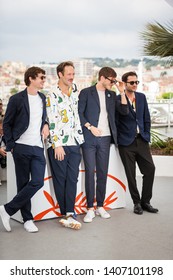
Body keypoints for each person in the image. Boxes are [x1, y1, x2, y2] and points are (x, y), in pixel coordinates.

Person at [0, 66, 49, 232]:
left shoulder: (43, 98)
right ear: (31, 79)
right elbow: (7, 123)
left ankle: (7, 209)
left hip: (37, 147)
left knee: (37, 182)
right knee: (23, 184)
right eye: (41, 77)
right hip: (21, 146)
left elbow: (43, 118)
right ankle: (27, 219)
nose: (44, 80)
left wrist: (46, 124)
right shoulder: (17, 99)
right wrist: (11, 145)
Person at [78, 67, 128, 223]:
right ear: (102, 78)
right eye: (111, 80)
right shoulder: (86, 92)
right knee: (90, 173)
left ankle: (100, 205)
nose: (113, 83)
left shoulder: (112, 94)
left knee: (102, 173)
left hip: (106, 138)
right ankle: (90, 209)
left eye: (114, 80)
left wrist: (122, 92)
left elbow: (124, 111)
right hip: (89, 138)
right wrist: (90, 127)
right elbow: (79, 113)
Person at [46, 61, 84, 230]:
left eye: (73, 74)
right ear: (60, 74)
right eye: (68, 74)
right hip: (59, 144)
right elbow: (51, 119)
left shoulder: (75, 91)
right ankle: (67, 213)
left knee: (73, 178)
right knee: (61, 179)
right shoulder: (51, 95)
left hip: (75, 142)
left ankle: (69, 211)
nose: (71, 77)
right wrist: (57, 144)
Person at [116, 71, 158, 215]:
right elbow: (122, 113)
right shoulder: (118, 99)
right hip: (126, 143)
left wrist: (146, 134)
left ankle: (146, 201)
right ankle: (136, 203)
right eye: (132, 83)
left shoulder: (141, 97)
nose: (135, 85)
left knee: (150, 169)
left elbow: (146, 117)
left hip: (141, 140)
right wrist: (122, 93)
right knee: (131, 174)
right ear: (124, 83)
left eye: (136, 82)